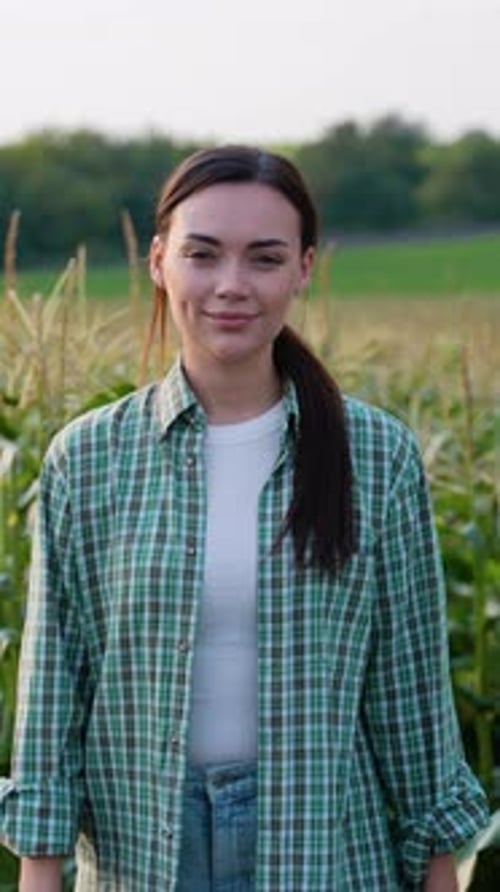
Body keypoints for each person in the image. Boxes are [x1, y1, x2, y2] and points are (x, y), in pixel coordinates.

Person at [0, 146, 490, 891]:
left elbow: (411, 694)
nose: (232, 286)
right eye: (203, 254)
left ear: (303, 269)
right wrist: (39, 872)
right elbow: (55, 690)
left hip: (323, 854)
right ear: (159, 262)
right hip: (144, 858)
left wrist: (438, 870)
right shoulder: (89, 459)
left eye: (264, 259)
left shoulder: (375, 455)